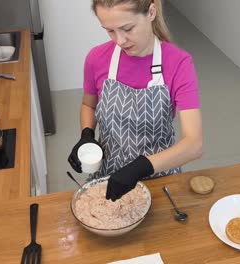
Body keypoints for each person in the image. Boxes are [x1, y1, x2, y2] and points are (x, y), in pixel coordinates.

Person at [68, 0, 203, 201]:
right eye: (110, 31)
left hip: (160, 177)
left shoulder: (179, 63)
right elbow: (89, 104)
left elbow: (194, 144)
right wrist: (87, 134)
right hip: (110, 176)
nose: (120, 40)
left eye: (127, 28)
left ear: (151, 12)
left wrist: (142, 166)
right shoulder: (96, 58)